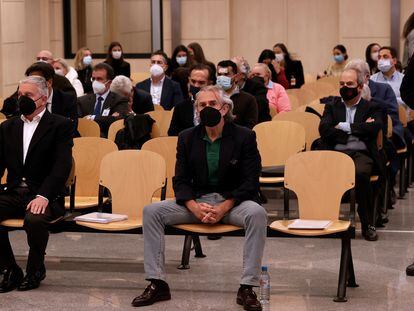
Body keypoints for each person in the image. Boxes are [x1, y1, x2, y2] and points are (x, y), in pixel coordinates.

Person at [131, 85, 267, 310]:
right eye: (201, 105)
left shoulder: (244, 136)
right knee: (151, 211)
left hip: (233, 203)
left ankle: (247, 287)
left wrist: (224, 207)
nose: (206, 109)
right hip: (198, 201)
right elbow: (180, 179)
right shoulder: (187, 137)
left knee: (258, 214)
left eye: (212, 104)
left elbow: (250, 180)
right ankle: (157, 283)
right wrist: (193, 207)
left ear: (224, 108)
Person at [0, 76, 73, 292]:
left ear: (43, 98)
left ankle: (35, 269)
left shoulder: (60, 125)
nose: (22, 99)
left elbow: (62, 167)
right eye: (20, 95)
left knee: (35, 219)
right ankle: (10, 269)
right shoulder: (8, 126)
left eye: (28, 96)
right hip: (14, 191)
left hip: (44, 193)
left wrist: (44, 196)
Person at [319, 68, 383, 241]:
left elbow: (374, 128)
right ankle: (323, 220)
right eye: (342, 84)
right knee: (320, 170)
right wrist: (358, 129)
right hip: (335, 152)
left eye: (349, 84)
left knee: (361, 174)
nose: (345, 87)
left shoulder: (372, 107)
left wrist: (344, 126)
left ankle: (367, 223)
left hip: (361, 153)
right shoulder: (332, 105)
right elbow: (324, 130)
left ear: (360, 87)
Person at [77, 63, 128, 137]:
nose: (95, 82)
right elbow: (78, 121)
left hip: (107, 139)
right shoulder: (81, 101)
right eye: (93, 79)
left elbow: (117, 121)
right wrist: (108, 118)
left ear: (109, 82)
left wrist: (91, 118)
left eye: (99, 79)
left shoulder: (119, 100)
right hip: (84, 138)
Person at [168, 64, 212, 136]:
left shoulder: (216, 106)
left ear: (210, 83)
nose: (196, 85)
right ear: (189, 80)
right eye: (193, 81)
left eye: (201, 82)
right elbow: (172, 134)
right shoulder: (180, 107)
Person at [216, 60, 258, 129]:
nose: (222, 77)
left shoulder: (248, 99)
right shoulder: (210, 96)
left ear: (236, 77)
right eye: (219, 74)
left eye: (226, 74)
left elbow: (250, 127)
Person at [232, 56, 271, 123]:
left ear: (243, 74)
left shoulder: (257, 86)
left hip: (256, 125)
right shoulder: (225, 88)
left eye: (234, 71)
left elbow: (254, 110)